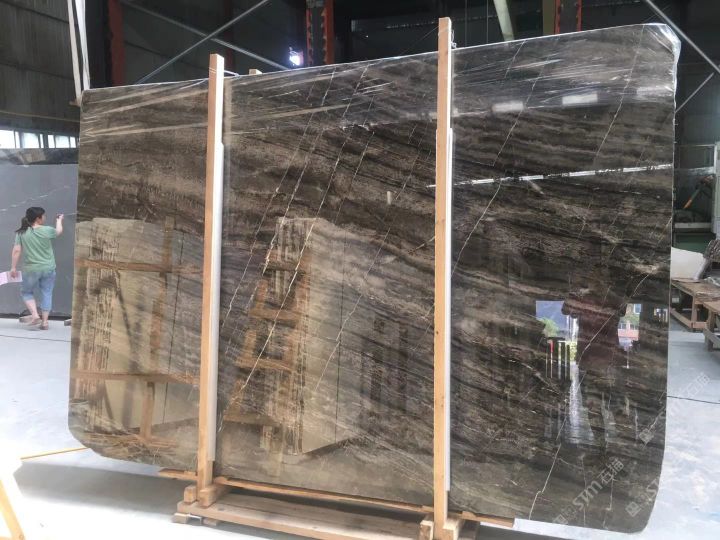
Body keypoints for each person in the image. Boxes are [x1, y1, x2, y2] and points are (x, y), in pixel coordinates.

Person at [10, 207, 64, 330]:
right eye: (43, 216)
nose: (45, 217)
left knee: (26, 292)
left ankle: (35, 315)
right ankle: (44, 322)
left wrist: (13, 267)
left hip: (31, 269)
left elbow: (17, 250)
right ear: (38, 219)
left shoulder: (21, 232)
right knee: (47, 292)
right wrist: (59, 220)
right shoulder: (47, 230)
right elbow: (59, 231)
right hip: (48, 268)